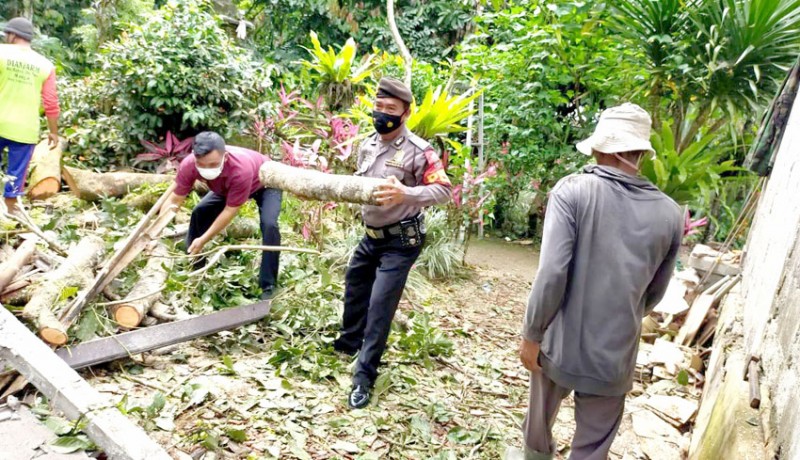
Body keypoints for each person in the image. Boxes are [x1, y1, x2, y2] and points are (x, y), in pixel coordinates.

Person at [507, 103, 683, 460]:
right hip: (614, 355)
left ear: (600, 147)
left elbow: (553, 272)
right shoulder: (670, 213)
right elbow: (654, 293)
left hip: (558, 342)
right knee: (594, 445)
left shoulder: (572, 191)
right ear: (641, 154)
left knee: (538, 426)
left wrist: (532, 334)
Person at [333, 77, 452, 409]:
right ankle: (348, 343)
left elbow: (443, 190)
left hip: (401, 240)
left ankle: (364, 377)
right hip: (371, 236)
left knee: (380, 306)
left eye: (391, 109)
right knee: (355, 286)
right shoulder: (367, 145)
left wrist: (407, 193)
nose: (382, 113)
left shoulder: (419, 151)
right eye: (379, 107)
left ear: (406, 112)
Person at [161, 132, 283, 299]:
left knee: (269, 225)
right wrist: (158, 229)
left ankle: (268, 285)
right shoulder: (189, 165)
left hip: (266, 182)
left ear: (225, 157)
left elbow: (229, 211)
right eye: (202, 165)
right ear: (194, 158)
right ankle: (196, 265)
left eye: (212, 165)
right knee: (200, 212)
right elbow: (174, 200)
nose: (207, 169)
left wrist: (204, 239)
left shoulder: (240, 169)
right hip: (227, 187)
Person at [0, 17, 60, 213]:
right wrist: (53, 132)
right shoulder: (45, 65)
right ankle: (11, 212)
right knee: (16, 176)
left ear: (12, 35)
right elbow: (51, 102)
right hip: (25, 129)